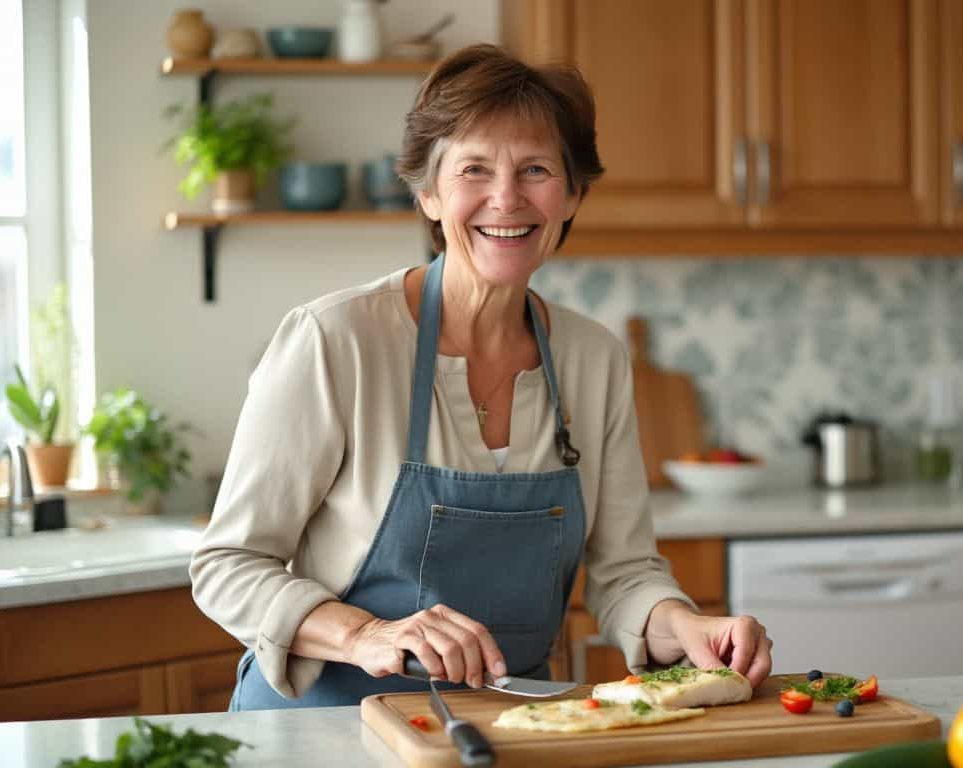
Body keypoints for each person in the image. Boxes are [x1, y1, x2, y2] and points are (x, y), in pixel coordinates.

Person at [190, 44, 773, 710]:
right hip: (323, 728)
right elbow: (227, 567)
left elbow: (625, 572)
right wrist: (364, 635)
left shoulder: (594, 359)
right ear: (429, 193)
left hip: (505, 727)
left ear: (573, 192)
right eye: (474, 169)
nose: (506, 199)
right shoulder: (336, 340)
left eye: (535, 169)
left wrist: (688, 625)